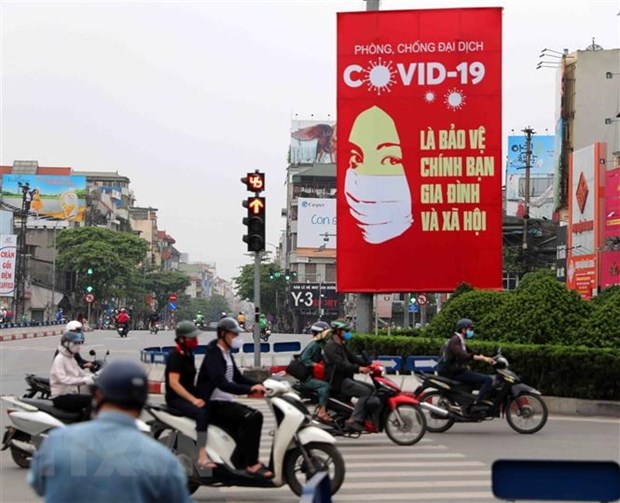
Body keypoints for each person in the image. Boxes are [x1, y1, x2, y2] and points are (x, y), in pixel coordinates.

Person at [29, 360, 191, 502]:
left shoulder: (57, 441)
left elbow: (38, 484)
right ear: (142, 402)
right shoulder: (161, 460)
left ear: (98, 395)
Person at [196, 317, 273, 479]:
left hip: (226, 402)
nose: (237, 338)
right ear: (223, 334)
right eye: (233, 334)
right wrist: (249, 389)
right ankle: (251, 464)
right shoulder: (214, 354)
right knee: (253, 417)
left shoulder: (226, 353)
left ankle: (238, 462)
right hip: (213, 404)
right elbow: (222, 383)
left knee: (247, 425)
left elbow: (238, 377)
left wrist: (261, 384)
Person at [165, 320, 215, 469]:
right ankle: (202, 455)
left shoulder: (188, 354)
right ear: (181, 339)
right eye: (192, 338)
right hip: (176, 399)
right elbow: (174, 383)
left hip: (188, 395)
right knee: (201, 414)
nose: (195, 340)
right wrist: (193, 400)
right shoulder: (176, 356)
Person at [436, 318, 495, 413]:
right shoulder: (455, 340)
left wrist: (486, 357)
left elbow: (471, 352)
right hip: (452, 372)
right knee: (488, 380)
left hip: (455, 370)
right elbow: (463, 355)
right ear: (463, 329)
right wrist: (481, 358)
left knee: (473, 381)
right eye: (470, 329)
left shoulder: (460, 339)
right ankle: (477, 404)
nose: (471, 331)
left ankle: (466, 404)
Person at [323, 319, 372, 432]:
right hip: (338, 381)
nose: (348, 333)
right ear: (338, 331)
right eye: (346, 331)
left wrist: (367, 363)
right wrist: (358, 369)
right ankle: (354, 420)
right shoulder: (331, 346)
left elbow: (352, 358)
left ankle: (364, 417)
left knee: (371, 388)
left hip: (346, 378)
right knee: (365, 392)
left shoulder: (340, 345)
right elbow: (341, 364)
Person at [49, 331, 94, 417]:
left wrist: (94, 377)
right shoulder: (60, 359)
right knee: (92, 401)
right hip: (61, 397)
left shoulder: (70, 358)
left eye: (78, 343)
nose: (78, 346)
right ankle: (85, 423)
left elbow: (80, 373)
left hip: (70, 394)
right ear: (66, 344)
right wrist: (84, 380)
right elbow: (63, 379)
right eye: (75, 343)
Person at [298, 320, 332, 423]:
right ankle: (322, 412)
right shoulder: (314, 345)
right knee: (325, 386)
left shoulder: (321, 344)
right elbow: (304, 359)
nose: (328, 335)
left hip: (313, 375)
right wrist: (316, 365)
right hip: (307, 379)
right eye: (326, 333)